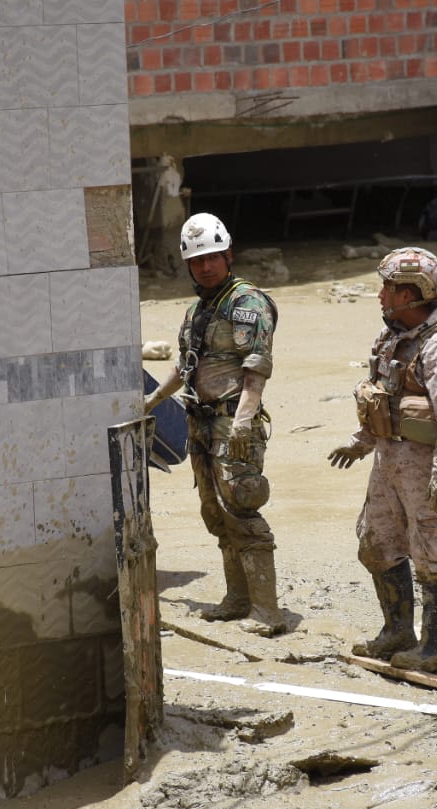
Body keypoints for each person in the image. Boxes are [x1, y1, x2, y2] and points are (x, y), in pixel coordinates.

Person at [328, 247, 437, 673]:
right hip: (389, 460)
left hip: (426, 467)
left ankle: (434, 645)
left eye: (388, 288)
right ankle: (397, 630)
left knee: (433, 551)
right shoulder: (394, 336)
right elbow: (383, 397)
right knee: (378, 543)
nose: (380, 295)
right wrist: (361, 442)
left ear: (411, 294)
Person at [144, 213, 284, 637]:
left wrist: (243, 422)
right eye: (197, 261)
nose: (205, 266)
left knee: (242, 507)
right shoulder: (199, 309)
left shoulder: (249, 303)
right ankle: (237, 599)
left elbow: (257, 369)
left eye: (212, 258)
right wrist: (151, 400)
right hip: (200, 425)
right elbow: (186, 367)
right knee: (216, 514)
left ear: (228, 255)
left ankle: (267, 610)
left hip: (231, 424)